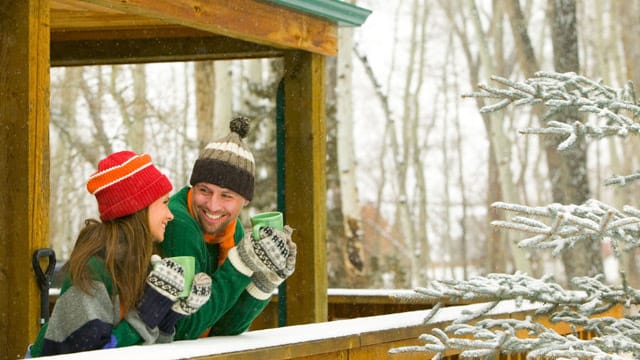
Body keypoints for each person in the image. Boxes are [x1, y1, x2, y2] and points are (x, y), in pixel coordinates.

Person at [28, 151, 212, 357]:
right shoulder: (92, 270)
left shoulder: (138, 263)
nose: (170, 214)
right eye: (164, 202)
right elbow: (92, 355)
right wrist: (146, 316)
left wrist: (168, 317)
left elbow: (144, 350)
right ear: (138, 207)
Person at [159, 116, 297, 340]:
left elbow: (225, 327)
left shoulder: (232, 232)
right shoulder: (178, 223)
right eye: (204, 190)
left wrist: (265, 280)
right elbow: (183, 328)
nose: (213, 205)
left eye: (226, 196)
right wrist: (241, 264)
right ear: (192, 186)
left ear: (245, 201)